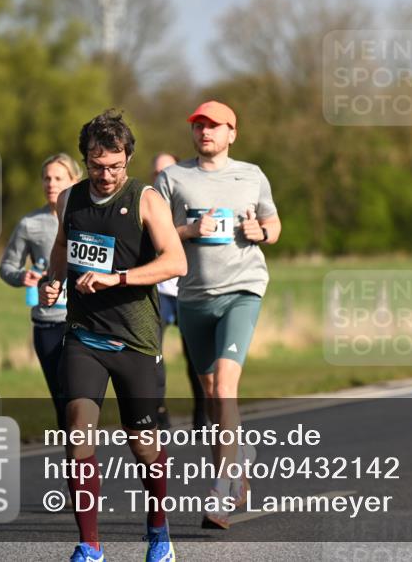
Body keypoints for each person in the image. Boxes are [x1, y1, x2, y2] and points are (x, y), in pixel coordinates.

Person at [40, 110, 187, 562]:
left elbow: (175, 263)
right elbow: (63, 249)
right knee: (77, 433)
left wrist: (117, 279)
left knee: (143, 445)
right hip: (84, 336)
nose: (106, 175)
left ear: (128, 159)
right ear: (86, 159)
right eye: (97, 165)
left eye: (115, 166)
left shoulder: (145, 200)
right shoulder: (70, 199)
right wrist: (52, 280)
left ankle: (159, 529)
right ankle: (90, 545)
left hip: (136, 340)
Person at [155, 100, 281, 529]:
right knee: (211, 397)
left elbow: (274, 224)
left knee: (225, 387)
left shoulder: (252, 174)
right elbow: (149, 235)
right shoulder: (172, 178)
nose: (205, 132)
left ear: (232, 132)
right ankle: (239, 456)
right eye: (198, 126)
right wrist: (188, 231)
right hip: (193, 296)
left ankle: (223, 489)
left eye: (214, 126)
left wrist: (259, 232)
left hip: (242, 290)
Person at [0, 153, 81, 431]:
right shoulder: (29, 224)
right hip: (48, 322)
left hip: (86, 321)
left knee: (81, 400)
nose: (51, 183)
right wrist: (24, 276)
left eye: (59, 178)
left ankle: (85, 464)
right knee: (62, 400)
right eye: (46, 178)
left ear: (74, 180)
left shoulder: (89, 217)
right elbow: (6, 266)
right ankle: (77, 470)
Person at [151, 152, 207, 432]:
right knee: (153, 357)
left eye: (166, 172)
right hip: (158, 292)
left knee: (195, 356)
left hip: (187, 289)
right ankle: (159, 411)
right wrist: (189, 230)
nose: (160, 178)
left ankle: (202, 412)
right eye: (155, 173)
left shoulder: (188, 199)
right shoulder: (147, 204)